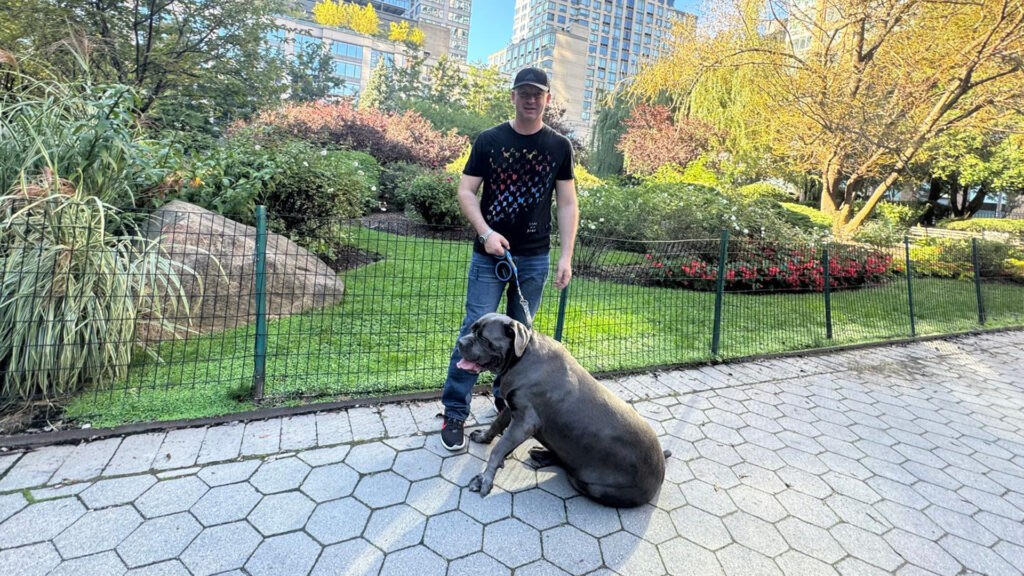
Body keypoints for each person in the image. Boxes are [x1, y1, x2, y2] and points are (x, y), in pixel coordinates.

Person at [439, 67, 579, 451]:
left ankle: (506, 404)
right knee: (474, 331)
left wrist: (566, 256)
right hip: (489, 257)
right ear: (513, 96)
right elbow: (466, 191)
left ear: (547, 99)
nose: (531, 100)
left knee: (520, 340)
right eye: (524, 93)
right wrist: (486, 233)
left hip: (533, 260)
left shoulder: (559, 147)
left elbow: (567, 203)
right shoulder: (489, 140)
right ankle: (455, 411)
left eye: (537, 94)